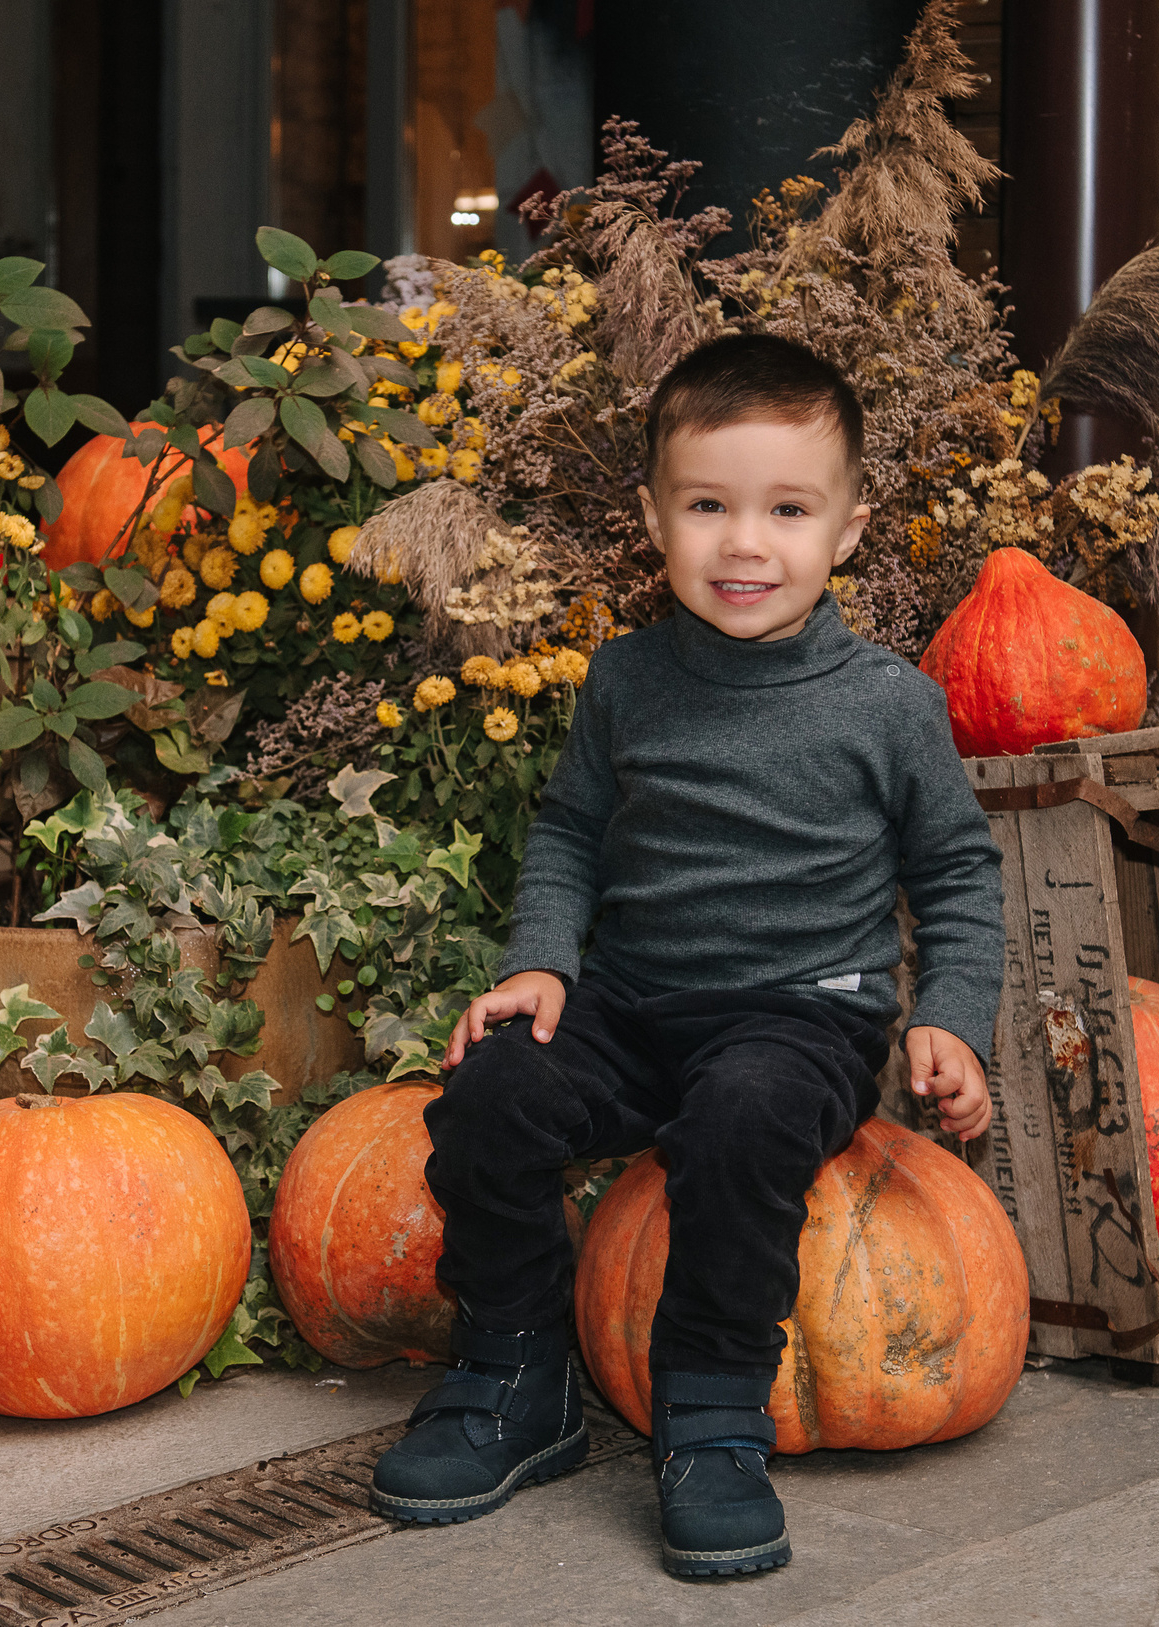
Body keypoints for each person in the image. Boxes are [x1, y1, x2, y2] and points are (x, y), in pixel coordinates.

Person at [368, 334, 1004, 1579]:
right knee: (493, 1091)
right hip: (638, 1003)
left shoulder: (887, 703)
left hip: (800, 1018)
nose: (744, 544)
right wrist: (543, 961)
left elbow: (957, 875)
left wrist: (954, 1018)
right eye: (707, 506)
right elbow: (567, 831)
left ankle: (712, 1412)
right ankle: (515, 1375)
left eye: (785, 510)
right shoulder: (625, 681)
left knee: (744, 1114)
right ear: (654, 518)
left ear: (849, 529)